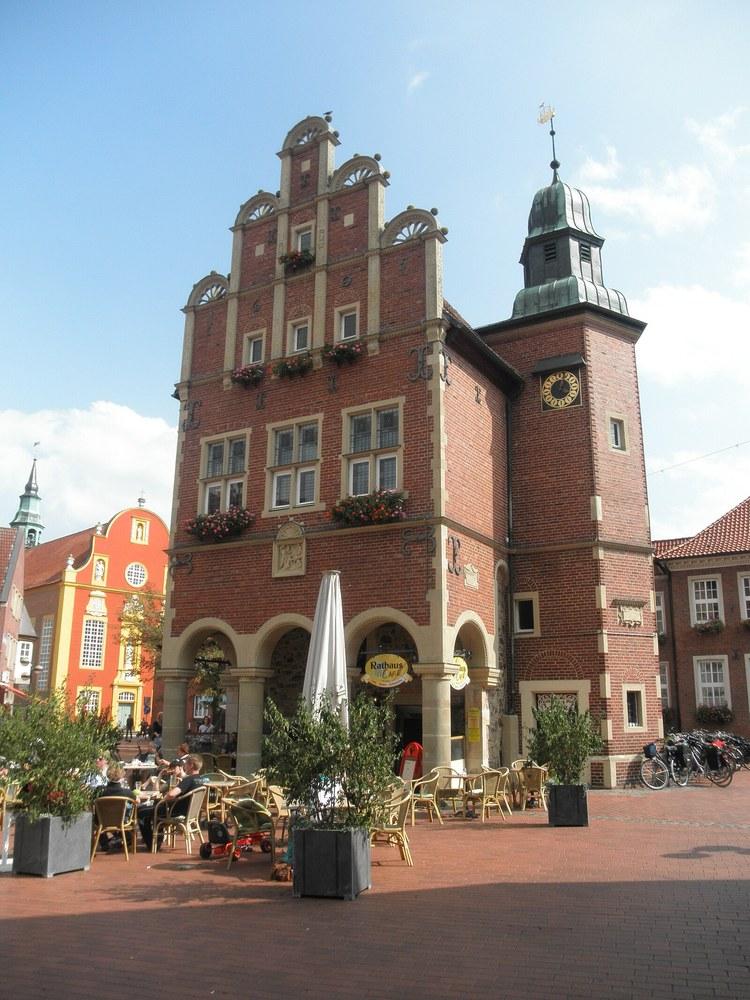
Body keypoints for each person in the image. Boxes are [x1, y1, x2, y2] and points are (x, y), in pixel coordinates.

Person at [137, 754, 207, 851]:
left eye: (186, 764)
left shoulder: (189, 779)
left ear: (191, 765)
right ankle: (156, 841)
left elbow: (171, 794)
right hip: (189, 812)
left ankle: (151, 844)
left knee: (140, 812)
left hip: (174, 812)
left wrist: (164, 798)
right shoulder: (201, 780)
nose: (184, 766)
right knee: (153, 812)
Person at [94, 763, 137, 852]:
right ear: (122, 776)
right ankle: (126, 840)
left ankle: (105, 843)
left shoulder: (99, 791)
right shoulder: (128, 793)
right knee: (132, 812)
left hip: (102, 821)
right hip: (121, 821)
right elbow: (135, 802)